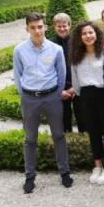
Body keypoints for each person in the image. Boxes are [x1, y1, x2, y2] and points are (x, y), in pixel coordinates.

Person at [14, 13, 73, 193]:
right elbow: (18, 74)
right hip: (30, 98)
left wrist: (56, 93)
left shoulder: (55, 49)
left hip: (51, 97)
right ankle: (30, 176)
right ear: (27, 29)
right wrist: (24, 93)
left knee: (58, 135)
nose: (37, 30)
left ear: (45, 27)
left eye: (40, 26)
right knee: (30, 138)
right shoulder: (19, 50)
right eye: (33, 27)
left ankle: (64, 172)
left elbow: (61, 74)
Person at [69, 21, 104, 185]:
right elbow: (75, 81)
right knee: (93, 132)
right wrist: (81, 95)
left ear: (96, 34)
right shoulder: (76, 56)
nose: (88, 36)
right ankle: (97, 165)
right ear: (79, 37)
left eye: (91, 32)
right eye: (84, 34)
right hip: (86, 96)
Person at [50, 13, 83, 134]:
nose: (62, 29)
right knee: (63, 122)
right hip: (60, 89)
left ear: (70, 26)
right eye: (59, 26)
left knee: (83, 119)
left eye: (64, 26)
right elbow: (49, 70)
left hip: (78, 86)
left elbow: (83, 66)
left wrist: (76, 87)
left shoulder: (78, 43)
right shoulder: (50, 45)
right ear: (54, 27)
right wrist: (60, 91)